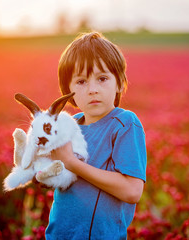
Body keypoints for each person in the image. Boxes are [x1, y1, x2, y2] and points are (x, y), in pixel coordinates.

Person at [45, 31, 147, 240]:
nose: (92, 89)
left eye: (102, 79)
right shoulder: (67, 127)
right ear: (68, 92)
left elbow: (132, 191)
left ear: (119, 83)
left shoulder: (125, 124)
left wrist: (72, 163)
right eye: (81, 82)